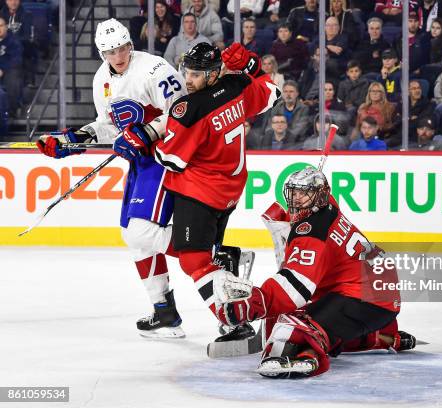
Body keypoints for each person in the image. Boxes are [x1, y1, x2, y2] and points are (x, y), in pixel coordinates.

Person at [114, 42, 281, 343]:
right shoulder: (238, 85)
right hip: (229, 190)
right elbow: (272, 92)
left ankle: (233, 320)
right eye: (186, 72)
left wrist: (142, 141)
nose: (188, 80)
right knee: (194, 255)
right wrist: (251, 66)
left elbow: (170, 160)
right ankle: (220, 264)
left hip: (200, 191)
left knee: (193, 260)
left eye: (196, 74)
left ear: (214, 73)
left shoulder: (188, 109)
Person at [36, 19, 188, 338]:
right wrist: (72, 140)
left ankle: (210, 252)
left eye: (122, 48)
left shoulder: (155, 70)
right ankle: (164, 310)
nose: (118, 56)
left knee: (142, 231)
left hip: (168, 155)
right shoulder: (101, 79)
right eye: (110, 52)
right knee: (133, 238)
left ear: (131, 44)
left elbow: (182, 112)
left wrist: (145, 133)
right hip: (142, 161)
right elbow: (108, 125)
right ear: (101, 52)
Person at [211, 168, 416, 378]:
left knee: (292, 325)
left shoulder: (311, 230)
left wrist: (255, 303)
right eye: (294, 192)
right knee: (323, 325)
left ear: (320, 194)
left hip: (364, 298)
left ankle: (305, 356)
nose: (297, 198)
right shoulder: (328, 207)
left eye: (304, 192)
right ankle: (381, 336)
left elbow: (295, 288)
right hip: (379, 296)